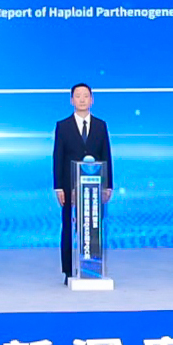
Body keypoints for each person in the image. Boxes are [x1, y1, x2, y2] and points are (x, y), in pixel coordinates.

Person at [51, 82, 113, 282]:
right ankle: (69, 271)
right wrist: (58, 187)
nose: (82, 100)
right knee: (69, 227)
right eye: (78, 96)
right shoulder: (63, 126)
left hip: (94, 186)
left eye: (86, 96)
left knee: (93, 225)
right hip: (69, 186)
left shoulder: (101, 125)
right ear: (72, 100)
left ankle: (92, 265)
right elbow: (58, 157)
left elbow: (106, 155)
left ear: (92, 100)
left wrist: (108, 185)